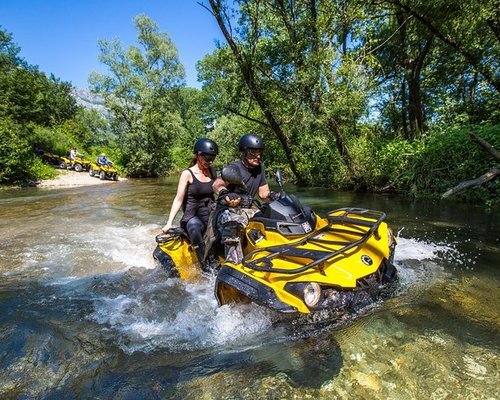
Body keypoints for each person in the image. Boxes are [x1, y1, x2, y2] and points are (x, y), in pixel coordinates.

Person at [211, 133, 280, 263]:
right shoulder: (234, 168)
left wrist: (274, 196)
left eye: (259, 153)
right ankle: (233, 264)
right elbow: (216, 185)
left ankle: (271, 255)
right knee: (234, 222)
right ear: (243, 153)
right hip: (227, 211)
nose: (258, 156)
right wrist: (225, 193)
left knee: (272, 215)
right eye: (253, 153)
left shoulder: (259, 169)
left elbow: (263, 194)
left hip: (247, 210)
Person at [161, 138, 219, 266]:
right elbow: (178, 199)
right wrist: (169, 223)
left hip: (210, 214)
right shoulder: (187, 174)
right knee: (193, 227)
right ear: (198, 155)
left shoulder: (211, 171)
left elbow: (219, 189)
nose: (209, 162)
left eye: (212, 159)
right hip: (193, 217)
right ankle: (206, 265)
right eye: (207, 158)